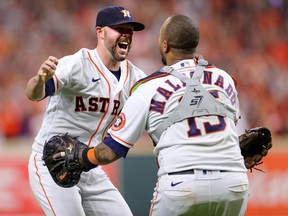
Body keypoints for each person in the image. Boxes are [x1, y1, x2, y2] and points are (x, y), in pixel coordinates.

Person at [78, 14, 249, 216]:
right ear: (195, 44)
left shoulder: (148, 87)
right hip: (233, 183)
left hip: (181, 185)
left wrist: (82, 156)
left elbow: (109, 152)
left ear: (165, 46)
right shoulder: (226, 79)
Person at [26, 6, 146, 216]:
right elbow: (34, 93)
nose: (126, 34)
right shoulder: (77, 64)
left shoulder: (135, 77)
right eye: (120, 28)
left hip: (89, 166)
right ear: (100, 32)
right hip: (52, 162)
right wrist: (39, 79)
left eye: (130, 30)